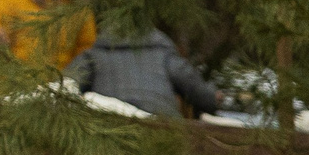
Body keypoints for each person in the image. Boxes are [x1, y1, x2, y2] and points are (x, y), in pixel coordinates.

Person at [66, 28, 223, 118]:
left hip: (109, 123)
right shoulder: (163, 54)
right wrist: (212, 99)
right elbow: (192, 85)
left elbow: (67, 86)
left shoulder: (95, 55)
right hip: (160, 122)